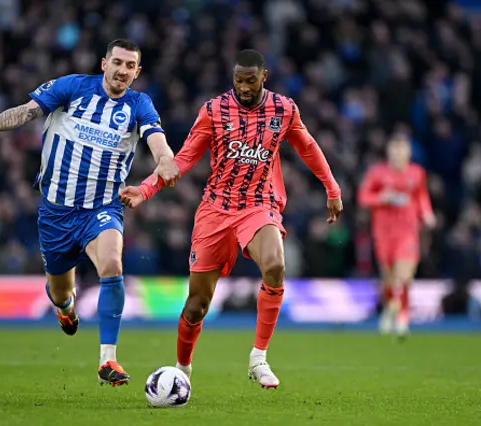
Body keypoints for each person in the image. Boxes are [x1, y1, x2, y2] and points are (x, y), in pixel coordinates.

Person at [0, 39, 180, 386]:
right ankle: (65, 309)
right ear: (103, 62)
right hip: (56, 212)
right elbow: (28, 111)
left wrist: (166, 161)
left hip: (102, 208)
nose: (122, 71)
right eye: (117, 63)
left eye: (130, 66)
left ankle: (108, 360)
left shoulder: (139, 105)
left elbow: (157, 140)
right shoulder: (73, 87)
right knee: (62, 292)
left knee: (113, 265)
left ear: (137, 72)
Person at [119, 49, 343, 389]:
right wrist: (147, 189)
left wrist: (332, 188)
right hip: (215, 210)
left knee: (275, 266)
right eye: (238, 81)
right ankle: (183, 367)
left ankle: (258, 358)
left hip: (258, 205)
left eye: (251, 81)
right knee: (197, 305)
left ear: (263, 77)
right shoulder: (213, 111)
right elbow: (183, 158)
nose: (244, 87)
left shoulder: (283, 109)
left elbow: (308, 147)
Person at [358, 135, 435, 338]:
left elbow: (421, 196)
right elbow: (363, 197)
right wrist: (381, 198)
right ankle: (391, 307)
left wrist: (427, 213)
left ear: (408, 153)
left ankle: (402, 318)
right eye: (394, 151)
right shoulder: (377, 173)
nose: (398, 155)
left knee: (405, 275)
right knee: (389, 279)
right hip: (383, 233)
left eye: (402, 151)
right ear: (389, 153)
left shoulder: (417, 173)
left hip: (408, 231)